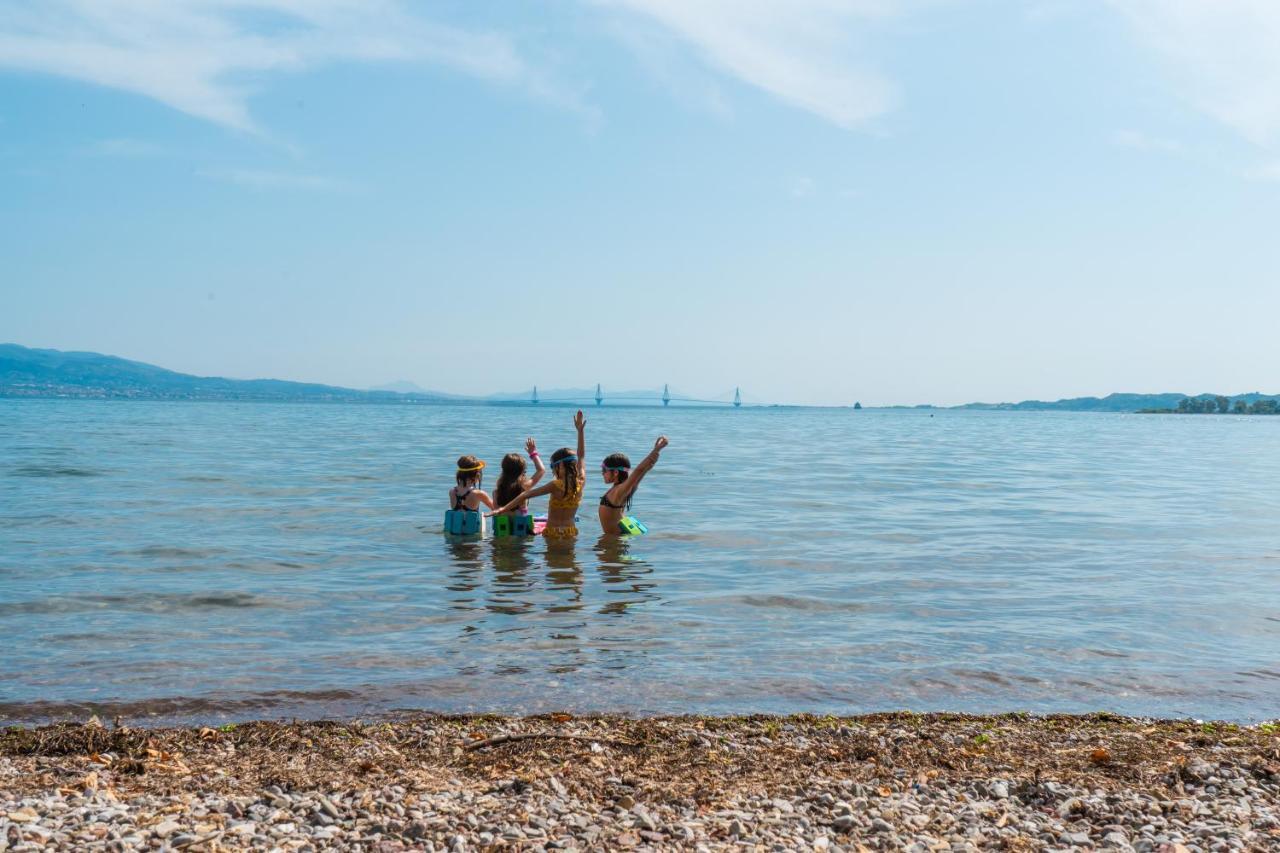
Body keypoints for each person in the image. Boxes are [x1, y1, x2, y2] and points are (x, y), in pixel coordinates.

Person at [488, 411, 586, 540]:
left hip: (553, 532)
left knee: (552, 560)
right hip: (570, 532)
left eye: (552, 466)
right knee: (568, 560)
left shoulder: (555, 485)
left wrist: (502, 509)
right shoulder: (581, 481)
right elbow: (581, 456)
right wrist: (580, 432)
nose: (552, 470)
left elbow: (526, 494)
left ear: (560, 466)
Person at [597, 436, 668, 534]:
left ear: (616, 472)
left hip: (615, 541)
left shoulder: (620, 490)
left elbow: (639, 470)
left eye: (604, 470)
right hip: (619, 537)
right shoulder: (623, 488)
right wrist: (655, 451)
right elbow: (646, 468)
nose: (602, 473)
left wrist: (656, 450)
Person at [492, 437, 546, 531]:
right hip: (520, 532)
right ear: (522, 471)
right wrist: (533, 453)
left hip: (503, 532)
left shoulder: (496, 492)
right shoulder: (524, 487)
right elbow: (541, 470)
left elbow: (497, 513)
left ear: (503, 469)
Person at [446, 455, 494, 534]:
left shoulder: (452, 492)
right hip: (471, 535)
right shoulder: (478, 493)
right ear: (477, 475)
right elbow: (495, 508)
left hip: (455, 532)